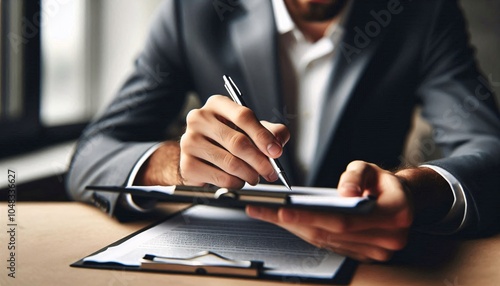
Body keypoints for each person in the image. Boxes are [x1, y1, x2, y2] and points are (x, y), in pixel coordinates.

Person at [66, 0, 500, 262]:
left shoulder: (423, 14)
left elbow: (488, 148)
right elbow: (93, 154)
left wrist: (414, 191)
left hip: (372, 268)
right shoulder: (192, 11)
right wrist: (175, 166)